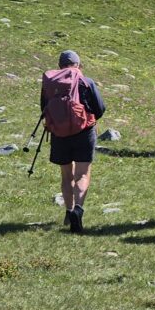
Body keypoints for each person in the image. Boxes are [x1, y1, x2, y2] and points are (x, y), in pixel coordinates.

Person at [40, 50, 106, 233]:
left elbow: (43, 108)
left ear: (59, 65)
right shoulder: (86, 81)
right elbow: (100, 108)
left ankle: (69, 212)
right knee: (82, 174)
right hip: (84, 131)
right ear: (78, 64)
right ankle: (78, 209)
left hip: (59, 133)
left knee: (66, 175)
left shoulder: (50, 83)